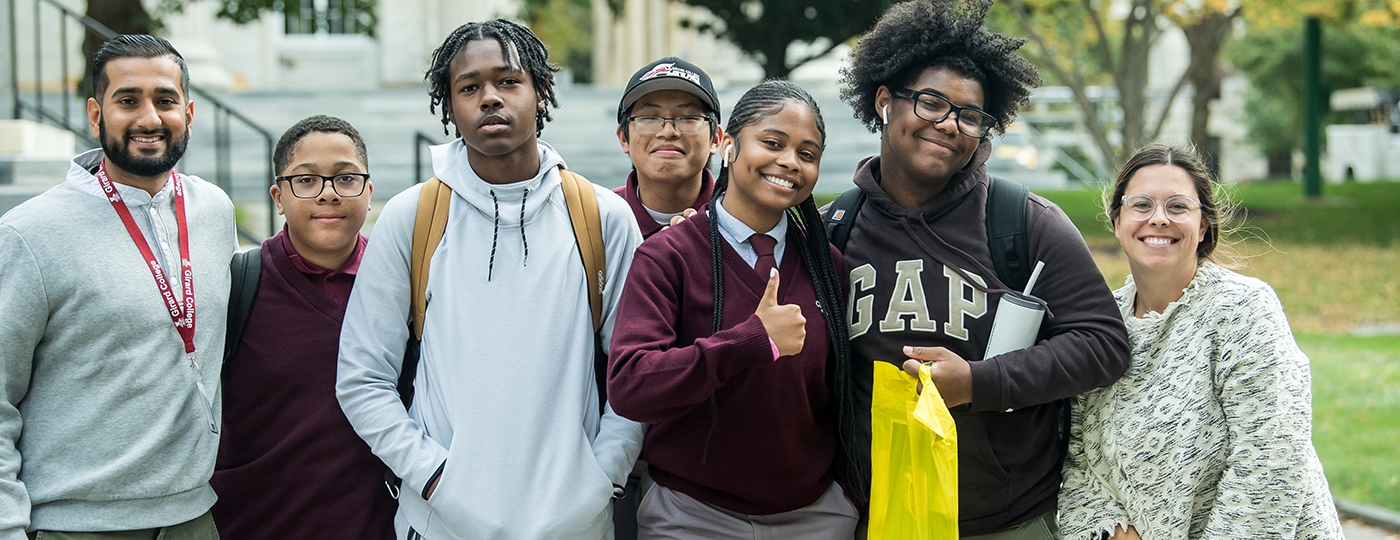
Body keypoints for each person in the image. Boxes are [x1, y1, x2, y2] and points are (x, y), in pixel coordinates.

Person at [336, 19, 645, 539]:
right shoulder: (412, 216)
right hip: (441, 523)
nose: (489, 98)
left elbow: (633, 374)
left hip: (576, 523)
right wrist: (433, 477)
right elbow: (362, 377)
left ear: (541, 91)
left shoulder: (603, 216)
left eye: (508, 81)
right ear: (449, 104)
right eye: (469, 87)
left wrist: (601, 479)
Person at [834, 0, 1130, 536]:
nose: (949, 124)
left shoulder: (1023, 221)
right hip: (876, 516)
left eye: (969, 115)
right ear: (884, 102)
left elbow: (1103, 343)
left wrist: (978, 382)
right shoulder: (835, 227)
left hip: (1007, 519)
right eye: (931, 103)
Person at [0, 34, 234, 539]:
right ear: (95, 114)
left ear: (189, 114)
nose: (149, 118)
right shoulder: (29, 233)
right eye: (127, 100)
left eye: (165, 100)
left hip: (194, 519)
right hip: (76, 525)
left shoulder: (214, 210)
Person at [609, 79, 863, 539]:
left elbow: (834, 395)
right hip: (692, 515)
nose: (789, 162)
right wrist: (751, 341)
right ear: (726, 143)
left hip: (814, 517)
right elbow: (631, 385)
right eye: (772, 143)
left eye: (808, 154)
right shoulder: (668, 256)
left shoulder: (829, 266)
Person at [1056, 143, 1345, 540]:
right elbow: (1077, 459)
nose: (1158, 219)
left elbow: (1271, 461)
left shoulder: (1243, 308)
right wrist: (1110, 530)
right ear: (1117, 219)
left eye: (1177, 206)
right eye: (1141, 205)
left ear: (1204, 224)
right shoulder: (1102, 324)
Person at [210, 115, 394, 539]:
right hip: (257, 524)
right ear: (278, 196)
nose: (328, 194)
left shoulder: (400, 286)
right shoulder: (237, 285)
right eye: (306, 180)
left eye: (346, 179)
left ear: (368, 192)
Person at [613, 57, 722, 239]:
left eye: (687, 117)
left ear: (715, 139)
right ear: (624, 138)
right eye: (649, 117)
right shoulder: (595, 218)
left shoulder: (738, 220)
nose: (668, 132)